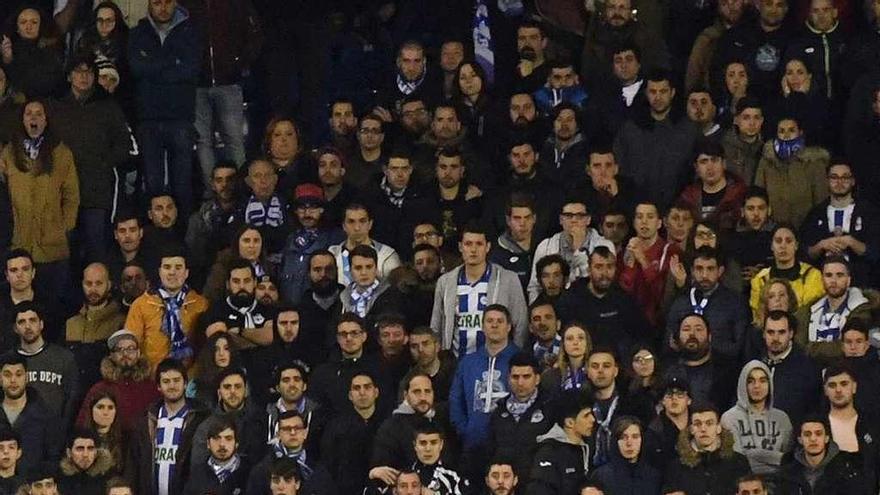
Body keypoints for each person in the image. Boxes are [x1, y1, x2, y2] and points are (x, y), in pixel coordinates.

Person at [52, 54, 132, 264]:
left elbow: (125, 145)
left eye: (89, 72)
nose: (84, 77)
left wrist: (104, 162)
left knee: (97, 249)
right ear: (69, 76)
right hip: (64, 193)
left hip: (97, 192)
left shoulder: (108, 107)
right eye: (79, 71)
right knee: (65, 252)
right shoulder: (57, 108)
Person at [0, 99, 79, 302]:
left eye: (39, 113)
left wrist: (63, 227)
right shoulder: (8, 153)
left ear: (46, 120)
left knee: (53, 305)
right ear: (22, 120)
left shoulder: (62, 153)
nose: (34, 117)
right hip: (19, 244)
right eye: (29, 113)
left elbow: (71, 195)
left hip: (53, 248)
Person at [128, 0, 200, 218]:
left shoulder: (190, 32)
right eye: (157, 2)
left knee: (182, 185)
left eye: (167, 2)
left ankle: (183, 239)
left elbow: (189, 70)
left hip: (180, 117)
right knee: (152, 183)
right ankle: (154, 237)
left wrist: (153, 66)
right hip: (148, 118)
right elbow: (136, 68)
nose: (162, 8)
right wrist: (171, 63)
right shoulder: (137, 33)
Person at [185, 0, 262, 184]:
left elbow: (254, 34)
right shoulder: (186, 5)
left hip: (229, 81)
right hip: (197, 84)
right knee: (203, 142)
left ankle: (242, 191)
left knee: (234, 139)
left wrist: (239, 63)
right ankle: (212, 194)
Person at [431, 224, 528, 357]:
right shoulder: (445, 282)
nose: (473, 250)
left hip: (496, 360)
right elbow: (436, 326)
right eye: (468, 244)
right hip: (455, 362)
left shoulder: (508, 279)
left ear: (487, 247)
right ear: (460, 247)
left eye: (479, 244)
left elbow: (520, 325)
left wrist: (514, 358)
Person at [614, 71, 699, 210]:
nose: (658, 97)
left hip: (679, 209)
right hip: (637, 209)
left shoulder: (689, 129)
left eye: (663, 91)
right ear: (646, 93)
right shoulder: (630, 129)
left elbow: (695, 171)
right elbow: (621, 168)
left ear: (672, 93)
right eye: (653, 91)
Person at [128, 358, 209, 495]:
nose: (172, 386)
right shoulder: (145, 420)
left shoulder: (201, 419)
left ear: (185, 383)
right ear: (158, 386)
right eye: (166, 381)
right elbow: (134, 463)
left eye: (176, 380)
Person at [125, 248, 209, 372]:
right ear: (160, 272)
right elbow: (131, 345)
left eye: (178, 267)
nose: (172, 272)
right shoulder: (141, 305)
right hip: (152, 380)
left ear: (186, 273)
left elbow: (206, 349)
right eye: (167, 267)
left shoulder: (201, 304)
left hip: (191, 381)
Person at [801, 160, 880, 286]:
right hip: (822, 285)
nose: (839, 182)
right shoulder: (815, 214)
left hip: (861, 283)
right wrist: (821, 245)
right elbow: (804, 253)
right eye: (834, 177)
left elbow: (875, 252)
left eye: (845, 177)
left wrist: (852, 242)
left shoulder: (869, 213)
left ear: (853, 181)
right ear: (827, 181)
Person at [665, 247, 751, 361]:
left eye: (710, 269)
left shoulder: (735, 303)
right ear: (692, 271)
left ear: (720, 271)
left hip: (722, 370)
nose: (705, 275)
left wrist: (703, 345)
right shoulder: (681, 301)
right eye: (699, 269)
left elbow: (739, 347)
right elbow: (668, 343)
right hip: (683, 371)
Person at [527, 198, 615, 302]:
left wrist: (578, 249)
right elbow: (534, 287)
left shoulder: (604, 245)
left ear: (588, 219)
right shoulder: (546, 246)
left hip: (592, 305)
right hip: (555, 308)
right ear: (560, 220)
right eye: (568, 216)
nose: (574, 220)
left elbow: (600, 282)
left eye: (580, 216)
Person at [9, 301, 79, 426]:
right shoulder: (6, 362)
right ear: (15, 328)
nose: (28, 326)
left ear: (41, 324)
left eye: (32, 320)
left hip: (54, 434)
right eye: (22, 322)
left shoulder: (64, 358)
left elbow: (72, 401)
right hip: (15, 437)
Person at [76, 329, 161, 433]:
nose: (125, 353)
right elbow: (83, 425)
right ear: (111, 355)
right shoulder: (100, 389)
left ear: (138, 353)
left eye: (131, 349)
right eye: (119, 349)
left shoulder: (151, 389)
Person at [487, 353, 552, 486]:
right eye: (515, 377)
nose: (520, 382)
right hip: (506, 485)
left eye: (526, 376)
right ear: (508, 379)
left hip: (539, 485)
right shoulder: (499, 411)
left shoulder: (550, 408)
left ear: (537, 379)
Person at [720, 360, 793, 474]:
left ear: (770, 385)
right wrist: (776, 458)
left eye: (763, 381)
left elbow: (788, 461)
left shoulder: (782, 418)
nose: (757, 386)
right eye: (750, 381)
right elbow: (737, 461)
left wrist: (752, 454)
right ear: (743, 384)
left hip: (779, 483)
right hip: (743, 482)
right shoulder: (730, 417)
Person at [754, 116, 828, 228]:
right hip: (772, 230)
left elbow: (821, 202)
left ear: (800, 132)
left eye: (792, 130)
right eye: (782, 131)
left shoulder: (814, 163)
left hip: (806, 229)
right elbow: (758, 196)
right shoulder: (766, 162)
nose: (786, 135)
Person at [309, 313, 389, 417]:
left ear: (364, 336)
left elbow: (386, 404)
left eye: (354, 333)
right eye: (343, 334)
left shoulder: (379, 368)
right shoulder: (323, 373)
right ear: (337, 338)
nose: (349, 338)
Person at [619, 202, 682, 330]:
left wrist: (643, 260)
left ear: (659, 223)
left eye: (650, 217)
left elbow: (661, 295)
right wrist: (630, 263)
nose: (644, 222)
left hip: (658, 324)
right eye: (640, 217)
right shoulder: (626, 252)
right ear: (634, 223)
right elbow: (623, 292)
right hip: (628, 323)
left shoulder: (670, 251)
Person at [663, 402, 751, 494]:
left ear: (718, 428)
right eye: (697, 424)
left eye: (709, 423)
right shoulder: (676, 467)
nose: (703, 429)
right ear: (691, 429)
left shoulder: (738, 462)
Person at [371, 373, 452, 472]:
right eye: (417, 392)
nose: (423, 397)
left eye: (427, 391)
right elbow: (385, 470)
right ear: (405, 395)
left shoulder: (443, 420)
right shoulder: (391, 427)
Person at [320, 372, 386, 495]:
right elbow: (329, 462)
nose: (362, 392)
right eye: (357, 388)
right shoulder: (336, 427)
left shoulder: (388, 424)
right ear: (350, 395)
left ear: (376, 392)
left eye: (367, 387)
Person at [65, 263, 127, 389]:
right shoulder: (71, 324)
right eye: (88, 284)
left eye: (99, 283)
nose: (93, 289)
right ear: (82, 284)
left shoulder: (121, 322)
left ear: (109, 285)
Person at [246, 410, 337, 495]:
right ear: (278, 435)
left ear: (305, 433)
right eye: (287, 429)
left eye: (297, 428)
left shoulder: (318, 471)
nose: (293, 433)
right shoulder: (261, 471)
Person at [189, 367, 266, 466]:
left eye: (237, 386)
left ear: (246, 391)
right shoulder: (206, 427)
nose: (233, 391)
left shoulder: (262, 420)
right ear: (219, 392)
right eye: (227, 387)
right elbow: (198, 466)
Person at [0, 353, 62, 475]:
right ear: (0, 378)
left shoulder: (46, 415)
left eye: (19, 374)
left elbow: (53, 459)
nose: (13, 380)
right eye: (7, 375)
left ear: (27, 377)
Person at [779, 414, 870, 494]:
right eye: (807, 434)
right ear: (800, 440)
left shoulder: (845, 469)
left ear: (826, 438)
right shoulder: (789, 471)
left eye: (818, 434)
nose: (813, 439)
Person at [527, 389, 595, 494]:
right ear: (569, 423)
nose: (592, 419)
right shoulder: (548, 452)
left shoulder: (587, 447)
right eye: (586, 415)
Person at [822, 364, 879, 490]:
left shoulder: (872, 425)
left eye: (844, 384)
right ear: (825, 390)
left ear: (854, 387)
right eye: (832, 385)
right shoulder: (817, 426)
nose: (838, 390)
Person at [664, 314, 739, 409]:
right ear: (677, 337)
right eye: (686, 329)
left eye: (698, 329)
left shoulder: (728, 371)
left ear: (709, 336)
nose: (692, 334)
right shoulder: (666, 370)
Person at [804, 257, 871, 362]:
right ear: (822, 279)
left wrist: (810, 348)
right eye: (828, 275)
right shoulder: (807, 310)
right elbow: (798, 346)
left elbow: (850, 347)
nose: (833, 281)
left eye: (839, 275)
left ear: (849, 280)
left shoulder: (862, 309)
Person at [749, 225, 824, 316]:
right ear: (772, 246)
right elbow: (758, 316)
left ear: (796, 245)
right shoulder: (760, 279)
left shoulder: (812, 275)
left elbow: (810, 312)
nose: (783, 246)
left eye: (788, 241)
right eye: (778, 241)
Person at [203, 259, 275, 349]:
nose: (242, 286)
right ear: (228, 284)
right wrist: (258, 339)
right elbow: (220, 344)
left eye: (247, 281)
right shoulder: (216, 310)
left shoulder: (267, 308)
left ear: (255, 282)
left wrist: (240, 332)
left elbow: (270, 337)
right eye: (236, 281)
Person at [677, 138, 747, 230]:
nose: (710, 167)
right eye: (704, 162)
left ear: (724, 164)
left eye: (714, 160)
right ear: (696, 167)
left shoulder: (740, 195)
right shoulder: (687, 198)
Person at [329, 204, 402, 285]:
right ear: (344, 226)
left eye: (362, 221)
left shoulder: (387, 256)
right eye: (351, 222)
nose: (357, 228)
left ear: (370, 224)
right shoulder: (332, 255)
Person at [0, 6, 64, 98]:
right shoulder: (7, 48)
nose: (28, 26)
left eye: (34, 22)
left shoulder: (52, 49)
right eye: (23, 22)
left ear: (41, 26)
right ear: (17, 27)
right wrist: (7, 59)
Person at [590, 416, 662, 494]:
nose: (629, 443)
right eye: (623, 437)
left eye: (635, 437)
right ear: (615, 441)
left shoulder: (654, 477)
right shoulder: (601, 476)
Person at [183, 417, 250, 495]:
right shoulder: (196, 475)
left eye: (228, 438)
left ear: (236, 444)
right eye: (216, 438)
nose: (222, 444)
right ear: (208, 444)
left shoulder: (249, 473)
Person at [646, 378, 691, 472]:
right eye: (669, 395)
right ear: (662, 401)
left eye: (680, 394)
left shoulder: (698, 424)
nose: (674, 398)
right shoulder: (654, 431)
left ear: (689, 400)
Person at [540, 323, 593, 399]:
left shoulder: (595, 374)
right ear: (563, 344)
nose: (575, 342)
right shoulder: (550, 377)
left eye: (580, 338)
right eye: (570, 339)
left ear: (587, 343)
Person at [721, 97, 766, 185]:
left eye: (756, 118)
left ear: (762, 121)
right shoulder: (722, 149)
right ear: (736, 120)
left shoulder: (767, 149)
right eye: (746, 118)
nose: (752, 123)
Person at [79, 391, 126, 472]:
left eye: (110, 408)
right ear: (91, 410)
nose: (105, 412)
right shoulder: (78, 438)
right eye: (100, 407)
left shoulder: (125, 440)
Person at [58, 428, 114, 495]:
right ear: (69, 453)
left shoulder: (109, 478)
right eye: (80, 449)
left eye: (90, 448)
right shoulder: (58, 479)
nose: (85, 454)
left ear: (96, 452)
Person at [0, 429, 24, 494]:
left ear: (19, 453)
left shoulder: (26, 486)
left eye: (11, 447)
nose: (6, 451)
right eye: (0, 448)